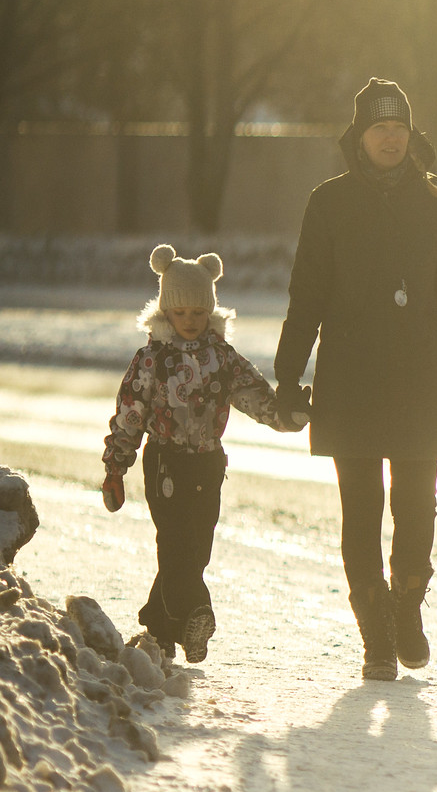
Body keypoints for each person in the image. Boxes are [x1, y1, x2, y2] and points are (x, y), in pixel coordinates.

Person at [273, 79, 437, 682]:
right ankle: (374, 632)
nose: (390, 138)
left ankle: (407, 605)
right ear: (359, 136)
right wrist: (287, 375)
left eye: (399, 128)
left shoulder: (434, 203)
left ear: (410, 134)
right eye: (379, 128)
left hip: (418, 378)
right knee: (361, 508)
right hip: (349, 377)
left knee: (416, 509)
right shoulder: (329, 203)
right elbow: (307, 297)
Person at [102, 245, 307, 663]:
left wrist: (290, 416)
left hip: (209, 463)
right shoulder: (152, 359)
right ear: (166, 312)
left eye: (198, 313)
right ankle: (197, 616)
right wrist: (115, 467)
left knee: (196, 550)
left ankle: (158, 630)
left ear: (209, 310)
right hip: (166, 463)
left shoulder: (223, 359)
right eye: (182, 313)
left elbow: (257, 397)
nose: (191, 321)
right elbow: (129, 414)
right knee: (176, 546)